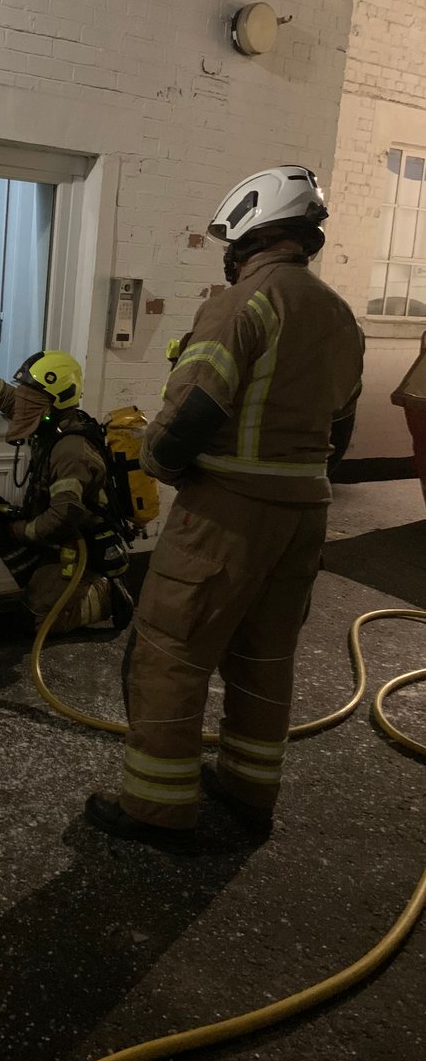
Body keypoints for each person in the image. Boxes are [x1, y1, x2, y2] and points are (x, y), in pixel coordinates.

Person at [85, 166, 365, 848]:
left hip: (226, 517)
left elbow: (190, 416)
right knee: (265, 656)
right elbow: (341, 432)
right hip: (306, 515)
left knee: (170, 654)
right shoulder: (340, 316)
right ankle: (248, 791)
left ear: (247, 230)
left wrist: (152, 465)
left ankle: (157, 808)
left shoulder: (242, 303)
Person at [0, 346, 134, 633]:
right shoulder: (49, 422)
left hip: (79, 541)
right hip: (57, 531)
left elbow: (64, 518)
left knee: (32, 622)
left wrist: (19, 530)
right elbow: (12, 402)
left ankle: (105, 596)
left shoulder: (71, 449)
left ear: (56, 400)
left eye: (32, 394)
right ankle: (43, 586)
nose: (24, 400)